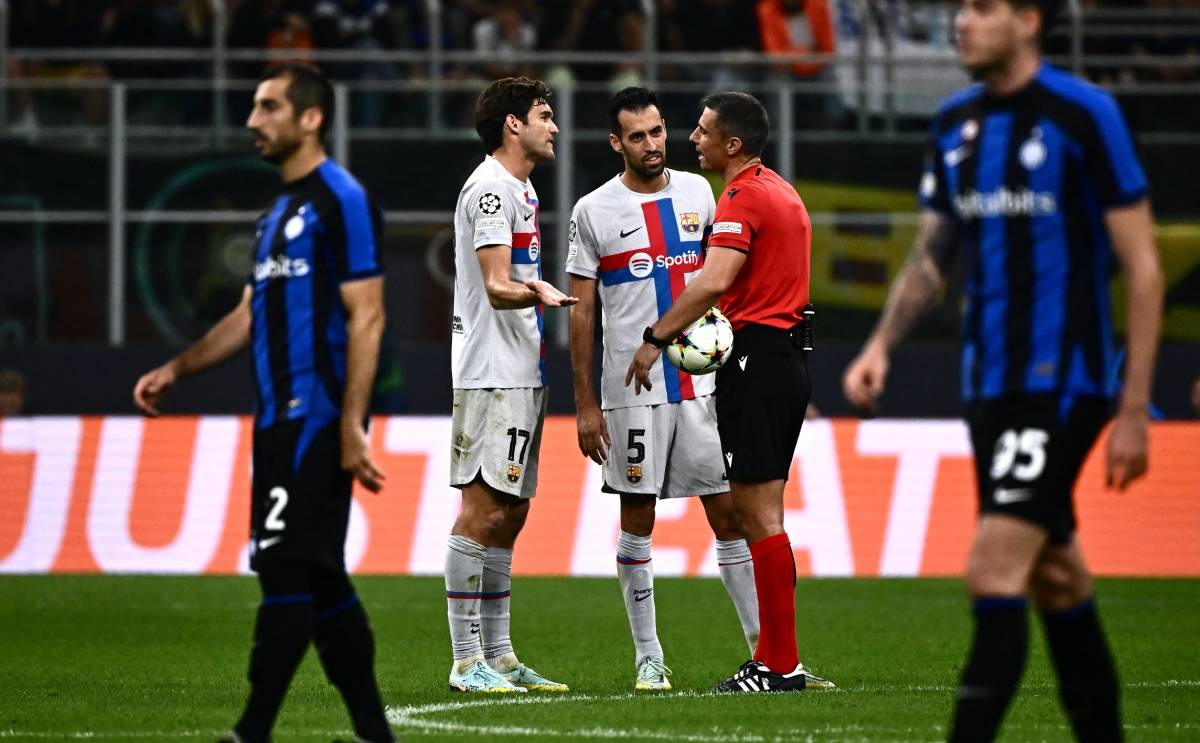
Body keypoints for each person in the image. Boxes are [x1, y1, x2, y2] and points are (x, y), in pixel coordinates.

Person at [842, 0, 1164, 739]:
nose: (962, 21)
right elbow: (932, 256)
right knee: (1056, 577)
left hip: (1060, 383)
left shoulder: (1086, 116)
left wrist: (1137, 407)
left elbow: (1143, 269)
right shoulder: (954, 123)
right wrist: (881, 344)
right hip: (988, 384)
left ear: (1028, 19)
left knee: (992, 571)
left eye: (982, 8)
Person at [133, 64, 394, 743]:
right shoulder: (274, 216)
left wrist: (351, 426)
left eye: (268, 106)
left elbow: (367, 315)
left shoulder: (344, 199)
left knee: (282, 565)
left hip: (317, 415)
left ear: (310, 118)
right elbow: (249, 314)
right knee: (318, 572)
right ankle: (375, 732)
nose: (253, 120)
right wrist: (175, 368)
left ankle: (250, 731)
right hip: (275, 415)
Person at [566, 87, 777, 691]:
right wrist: (584, 404)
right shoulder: (593, 211)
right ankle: (648, 658)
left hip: (703, 385)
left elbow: (724, 279)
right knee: (638, 517)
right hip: (631, 390)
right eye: (638, 136)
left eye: (658, 131)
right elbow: (582, 313)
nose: (653, 145)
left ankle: (766, 652)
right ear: (617, 144)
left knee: (729, 513)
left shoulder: (699, 192)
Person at [626, 91, 832, 694]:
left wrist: (655, 337)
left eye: (703, 129)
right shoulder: (782, 190)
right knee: (760, 510)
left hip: (758, 359)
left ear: (732, 144)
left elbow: (713, 281)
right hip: (785, 354)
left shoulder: (741, 198)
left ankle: (778, 664)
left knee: (756, 513)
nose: (693, 138)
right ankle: (776, 658)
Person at [444, 76, 577, 694]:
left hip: (519, 370)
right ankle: (466, 658)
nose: (554, 126)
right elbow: (496, 284)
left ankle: (498, 655)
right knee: (482, 508)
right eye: (544, 115)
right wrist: (539, 290)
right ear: (512, 125)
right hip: (490, 372)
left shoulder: (519, 189)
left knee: (513, 510)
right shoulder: (492, 190)